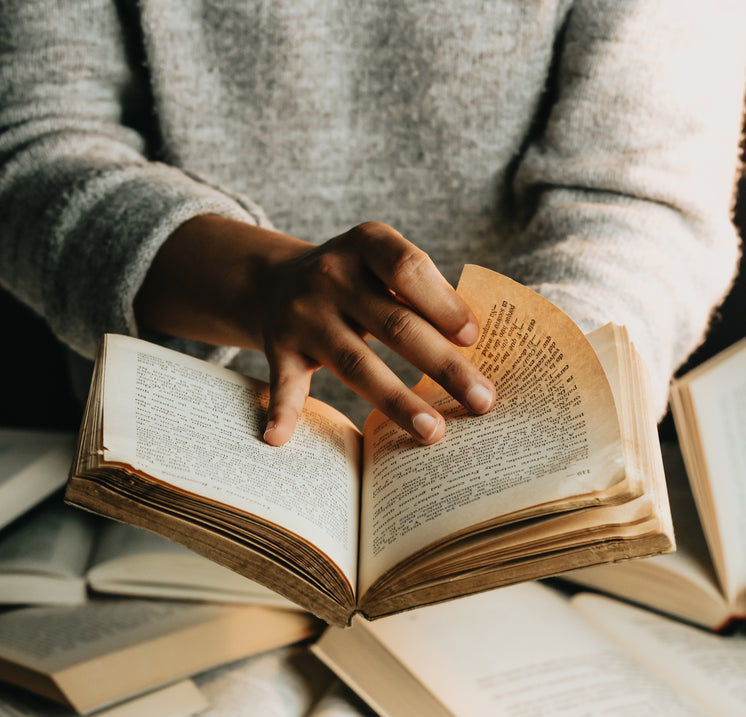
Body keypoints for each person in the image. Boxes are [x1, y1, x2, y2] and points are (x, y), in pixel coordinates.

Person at [1, 1, 744, 446]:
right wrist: (256, 281)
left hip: (514, 515)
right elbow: (31, 144)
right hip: (173, 485)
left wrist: (533, 411)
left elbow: (647, 201)